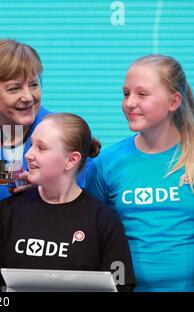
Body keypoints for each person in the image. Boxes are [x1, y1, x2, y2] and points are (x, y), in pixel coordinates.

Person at [0, 39, 91, 233]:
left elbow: (87, 197)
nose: (28, 97)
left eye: (34, 84)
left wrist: (47, 187)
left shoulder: (68, 134)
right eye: (14, 88)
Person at [0, 113, 136, 292]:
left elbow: (121, 285)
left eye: (41, 148)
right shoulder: (6, 213)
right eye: (30, 145)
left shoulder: (104, 221)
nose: (28, 155)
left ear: (71, 160)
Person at [85, 55, 194, 292]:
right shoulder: (106, 163)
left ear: (174, 101)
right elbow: (91, 233)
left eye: (142, 94)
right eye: (126, 94)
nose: (129, 103)